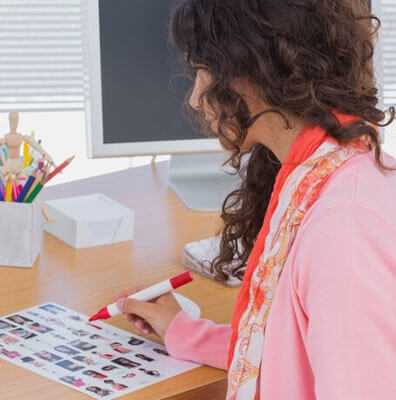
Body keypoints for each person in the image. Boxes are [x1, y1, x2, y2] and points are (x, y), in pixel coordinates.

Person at [112, 1, 396, 399]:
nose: (195, 99)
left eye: (201, 71)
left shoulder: (342, 228)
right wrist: (185, 332)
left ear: (247, 73)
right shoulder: (325, 171)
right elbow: (285, 351)